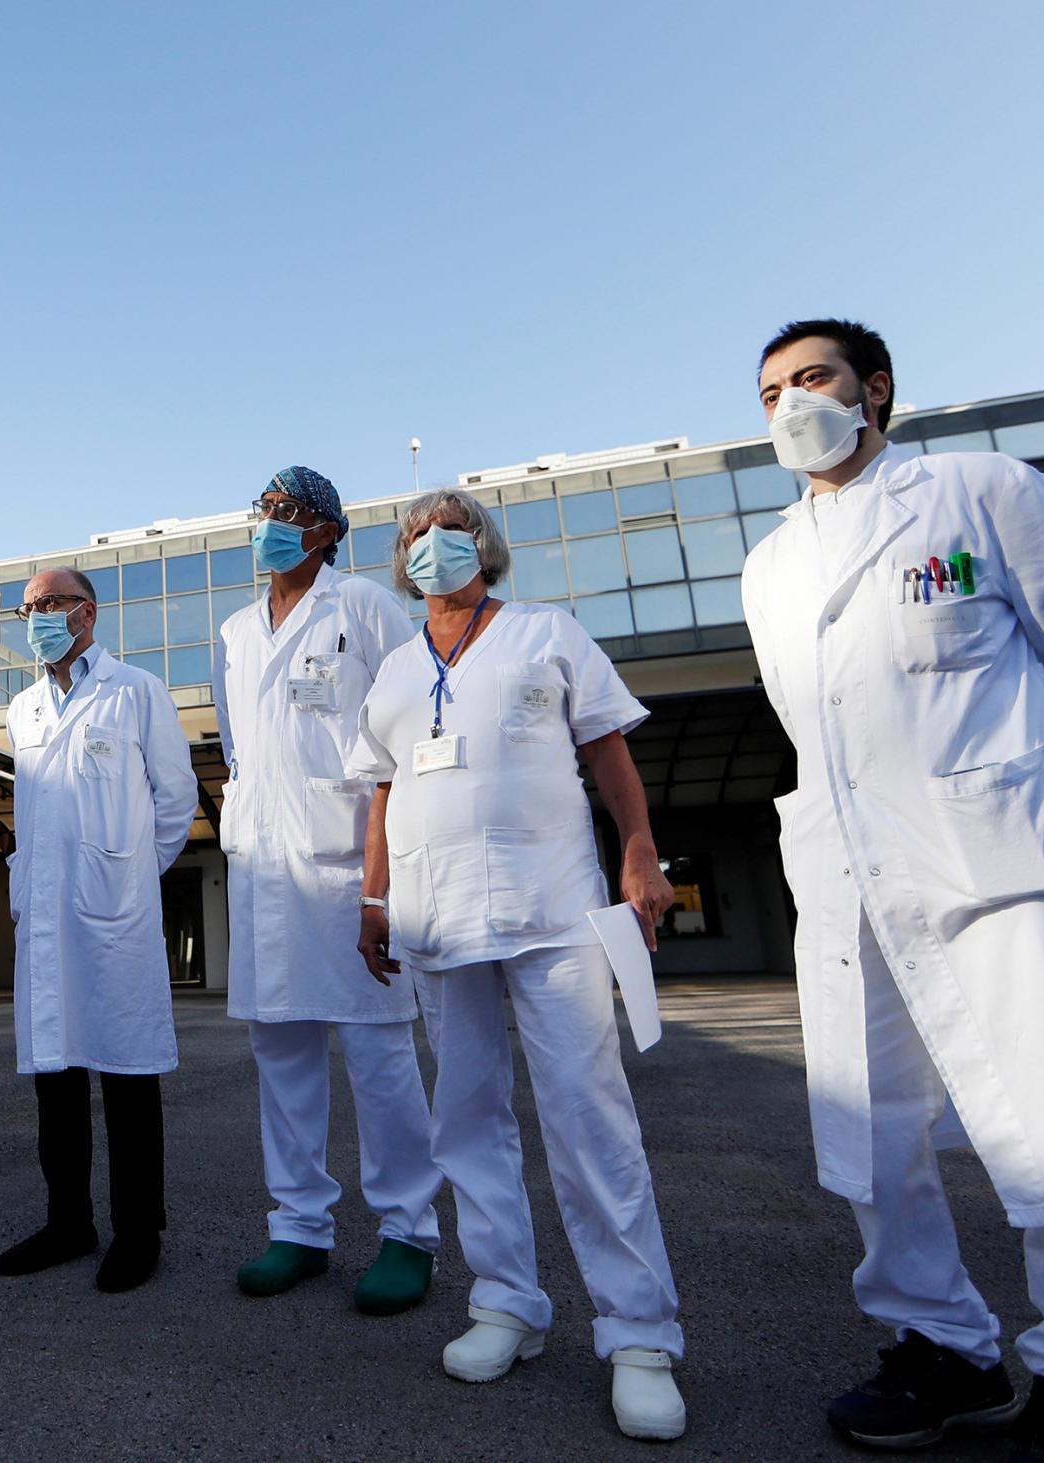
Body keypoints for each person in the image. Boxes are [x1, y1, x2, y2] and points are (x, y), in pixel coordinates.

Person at [742, 319, 1044, 1463]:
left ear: (874, 390)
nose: (787, 405)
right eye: (767, 392)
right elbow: (820, 730)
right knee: (868, 1131)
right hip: (850, 880)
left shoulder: (979, 491)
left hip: (1008, 866)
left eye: (809, 379)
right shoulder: (768, 565)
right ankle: (937, 1346)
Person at [349, 489, 690, 1442]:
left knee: (589, 1117)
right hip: (437, 916)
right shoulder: (392, 671)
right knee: (465, 1117)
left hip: (554, 909)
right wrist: (374, 900)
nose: (432, 546)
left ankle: (637, 1334)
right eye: (416, 534)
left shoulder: (547, 631)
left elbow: (606, 747)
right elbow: (380, 792)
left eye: (450, 530)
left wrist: (638, 851)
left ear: (486, 546)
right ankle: (505, 1300)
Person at [210, 467, 441, 1312]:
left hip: (349, 866)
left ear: (328, 531)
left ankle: (409, 1230)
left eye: (292, 511)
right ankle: (299, 1225)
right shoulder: (236, 630)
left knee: (380, 1054)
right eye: (264, 508)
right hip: (265, 867)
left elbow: (405, 736)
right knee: (282, 1054)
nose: (272, 523)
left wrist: (388, 881)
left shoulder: (367, 609)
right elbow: (239, 748)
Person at [0, 567, 198, 1292]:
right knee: (56, 1069)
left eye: (46, 605)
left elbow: (176, 797)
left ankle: (139, 1229)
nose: (35, 618)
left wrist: (131, 873)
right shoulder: (23, 708)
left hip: (115, 908)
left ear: (85, 613)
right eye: (26, 609)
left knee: (127, 1069)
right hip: (47, 909)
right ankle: (68, 1220)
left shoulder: (134, 690)